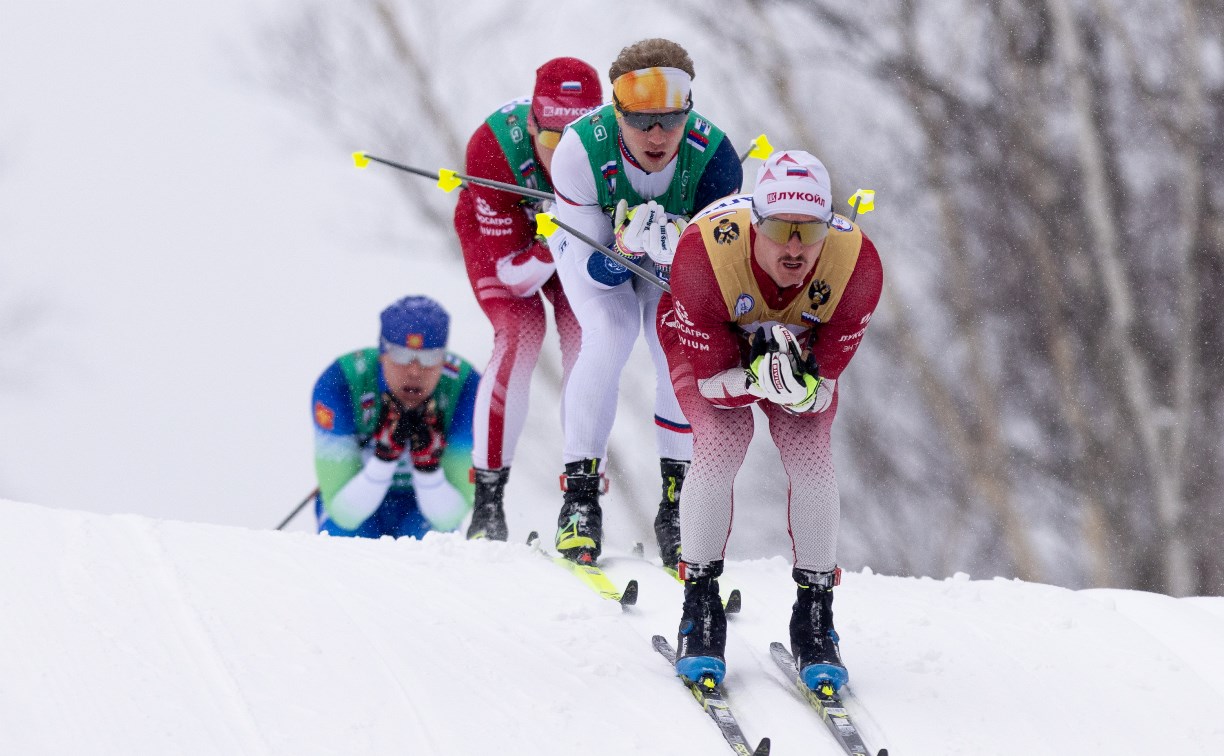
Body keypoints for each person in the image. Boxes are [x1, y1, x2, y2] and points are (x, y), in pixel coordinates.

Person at [657, 151, 883, 692]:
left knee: (811, 456)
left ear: (830, 225)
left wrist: (801, 390)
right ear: (755, 223)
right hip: (714, 351)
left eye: (811, 231)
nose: (795, 248)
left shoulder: (858, 264)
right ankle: (699, 606)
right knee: (722, 440)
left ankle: (814, 616)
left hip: (796, 355)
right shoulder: (703, 253)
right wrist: (757, 377)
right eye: (781, 229)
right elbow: (712, 384)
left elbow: (823, 384)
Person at [547, 38, 743, 566]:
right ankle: (579, 500)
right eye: (641, 121)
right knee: (610, 333)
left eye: (671, 120)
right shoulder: (579, 152)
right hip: (599, 253)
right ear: (617, 113)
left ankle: (677, 504)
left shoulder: (716, 161)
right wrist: (626, 251)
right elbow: (591, 268)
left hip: (669, 263)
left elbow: (715, 279)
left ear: (688, 111)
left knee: (679, 345)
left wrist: (676, 259)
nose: (657, 136)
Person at [454, 57, 603, 542]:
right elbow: (514, 279)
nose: (563, 155)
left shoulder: (615, 148)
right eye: (553, 140)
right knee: (522, 331)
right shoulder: (493, 147)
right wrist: (550, 239)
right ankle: (488, 504)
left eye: (577, 140)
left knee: (590, 340)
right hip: (511, 248)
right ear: (533, 125)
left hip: (568, 237)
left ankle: (582, 500)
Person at [311, 295, 479, 538]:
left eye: (430, 357)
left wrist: (428, 468)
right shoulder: (341, 382)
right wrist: (383, 459)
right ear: (382, 352)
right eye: (401, 355)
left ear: (444, 358)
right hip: (356, 501)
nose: (415, 371)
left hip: (423, 509)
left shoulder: (466, 388)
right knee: (345, 541)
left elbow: (448, 519)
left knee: (434, 544)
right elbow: (344, 514)